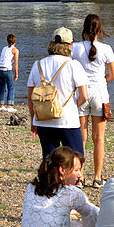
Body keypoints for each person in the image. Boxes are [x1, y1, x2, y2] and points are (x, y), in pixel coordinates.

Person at [27, 28, 89, 159]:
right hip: (68, 120)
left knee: (50, 160)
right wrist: (71, 106)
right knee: (76, 158)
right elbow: (84, 96)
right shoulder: (73, 65)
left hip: (43, 119)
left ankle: (52, 180)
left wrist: (33, 121)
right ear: (69, 45)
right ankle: (75, 180)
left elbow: (30, 98)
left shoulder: (37, 64)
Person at [72, 14, 114, 187]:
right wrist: (101, 79)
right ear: (100, 30)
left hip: (80, 94)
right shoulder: (106, 49)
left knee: (80, 139)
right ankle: (97, 177)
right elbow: (112, 75)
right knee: (99, 139)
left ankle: (80, 176)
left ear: (84, 28)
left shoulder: (75, 48)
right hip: (100, 94)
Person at [0, 34, 19, 113]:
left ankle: (0, 105)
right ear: (15, 42)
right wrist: (16, 74)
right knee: (11, 88)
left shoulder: (4, 48)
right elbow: (15, 63)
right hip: (7, 70)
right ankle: (9, 106)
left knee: (2, 87)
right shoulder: (15, 50)